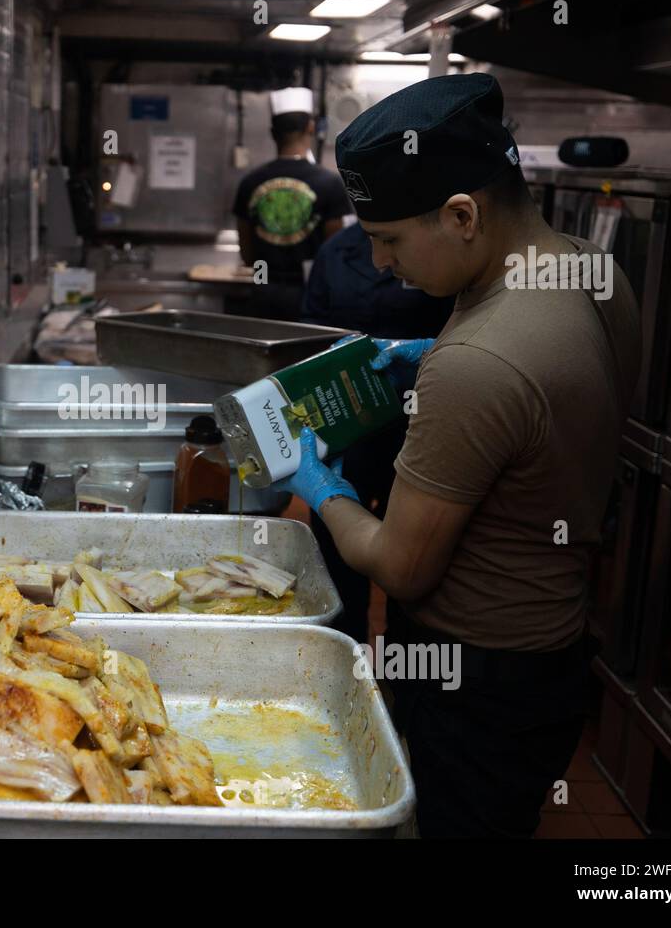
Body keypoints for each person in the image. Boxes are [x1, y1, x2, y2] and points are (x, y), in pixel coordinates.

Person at [273, 73, 641, 837]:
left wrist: (319, 485)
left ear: (462, 215)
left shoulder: (477, 362)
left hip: (474, 676)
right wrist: (437, 350)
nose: (377, 263)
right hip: (554, 655)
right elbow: (541, 403)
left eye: (390, 240)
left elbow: (401, 567)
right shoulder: (593, 274)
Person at [300, 223, 454, 643]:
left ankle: (403, 659)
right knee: (336, 552)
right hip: (346, 427)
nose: (382, 256)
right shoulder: (335, 252)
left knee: (416, 560)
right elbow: (310, 328)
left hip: (420, 428)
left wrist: (429, 351)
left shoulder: (437, 250)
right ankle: (345, 651)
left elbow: (468, 329)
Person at [230, 87, 352, 321]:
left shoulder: (250, 182)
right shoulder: (329, 183)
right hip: (311, 292)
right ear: (310, 127)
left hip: (262, 287)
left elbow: (247, 254)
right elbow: (335, 249)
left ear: (272, 132)